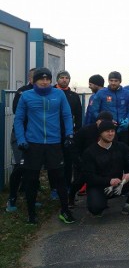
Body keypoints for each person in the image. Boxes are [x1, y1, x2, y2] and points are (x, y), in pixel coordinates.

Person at [13, 67, 75, 224]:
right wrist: (21, 139)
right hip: (33, 143)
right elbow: (19, 119)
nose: (45, 81)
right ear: (34, 81)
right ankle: (31, 214)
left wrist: (69, 134)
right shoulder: (26, 96)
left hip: (54, 143)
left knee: (59, 178)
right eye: (41, 79)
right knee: (31, 179)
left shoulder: (58, 94)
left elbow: (67, 115)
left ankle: (65, 210)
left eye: (48, 79)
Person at [82, 120, 129, 217]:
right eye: (107, 131)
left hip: (119, 185)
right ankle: (100, 203)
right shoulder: (90, 152)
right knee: (95, 209)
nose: (110, 134)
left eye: (112, 131)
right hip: (100, 187)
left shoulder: (122, 147)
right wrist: (109, 181)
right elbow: (88, 177)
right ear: (100, 133)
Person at [68, 111, 115, 207]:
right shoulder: (86, 131)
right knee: (79, 181)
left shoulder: (110, 132)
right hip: (83, 160)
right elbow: (74, 147)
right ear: (97, 121)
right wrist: (78, 161)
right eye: (102, 122)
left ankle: (101, 200)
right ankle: (70, 198)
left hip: (101, 161)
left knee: (103, 180)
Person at [6, 68, 35, 213]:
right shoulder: (22, 92)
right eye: (38, 78)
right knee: (20, 166)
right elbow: (17, 111)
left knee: (33, 168)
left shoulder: (47, 93)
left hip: (35, 136)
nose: (43, 81)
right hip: (20, 135)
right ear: (30, 79)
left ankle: (30, 196)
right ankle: (11, 199)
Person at [54, 70, 83, 192]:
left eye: (66, 78)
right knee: (54, 161)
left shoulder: (74, 96)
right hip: (52, 132)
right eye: (62, 77)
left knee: (67, 160)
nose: (64, 80)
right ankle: (54, 187)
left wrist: (76, 130)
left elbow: (78, 115)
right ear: (57, 79)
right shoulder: (52, 93)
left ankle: (67, 185)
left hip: (68, 133)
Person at [87, 71, 129, 143]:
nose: (113, 83)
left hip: (123, 129)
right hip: (107, 129)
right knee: (108, 151)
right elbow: (94, 110)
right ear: (108, 81)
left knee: (123, 150)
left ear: (120, 81)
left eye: (116, 81)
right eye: (111, 80)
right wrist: (104, 120)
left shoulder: (127, 93)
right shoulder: (101, 93)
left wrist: (127, 120)